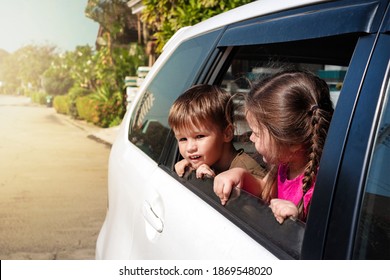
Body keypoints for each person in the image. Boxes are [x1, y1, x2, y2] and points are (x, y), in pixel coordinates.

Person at [213, 70, 334, 223]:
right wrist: (241, 175)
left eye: (256, 133)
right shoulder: (283, 165)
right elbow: (265, 188)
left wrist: (295, 218)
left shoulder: (320, 187)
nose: (251, 137)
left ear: (292, 143)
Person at [168, 84, 266, 180]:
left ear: (227, 133)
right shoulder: (210, 162)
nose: (190, 148)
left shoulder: (249, 175)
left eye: (199, 136)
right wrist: (191, 169)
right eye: (183, 139)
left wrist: (210, 183)